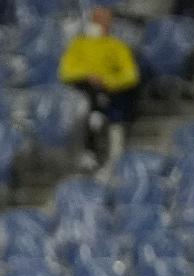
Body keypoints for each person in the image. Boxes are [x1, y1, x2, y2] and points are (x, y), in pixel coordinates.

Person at [58, 5, 139, 169]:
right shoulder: (78, 45)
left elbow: (131, 75)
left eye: (106, 20)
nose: (103, 24)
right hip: (83, 89)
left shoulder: (117, 46)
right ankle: (90, 143)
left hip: (111, 92)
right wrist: (88, 75)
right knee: (86, 99)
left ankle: (113, 156)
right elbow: (66, 71)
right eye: (99, 19)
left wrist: (107, 81)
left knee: (110, 103)